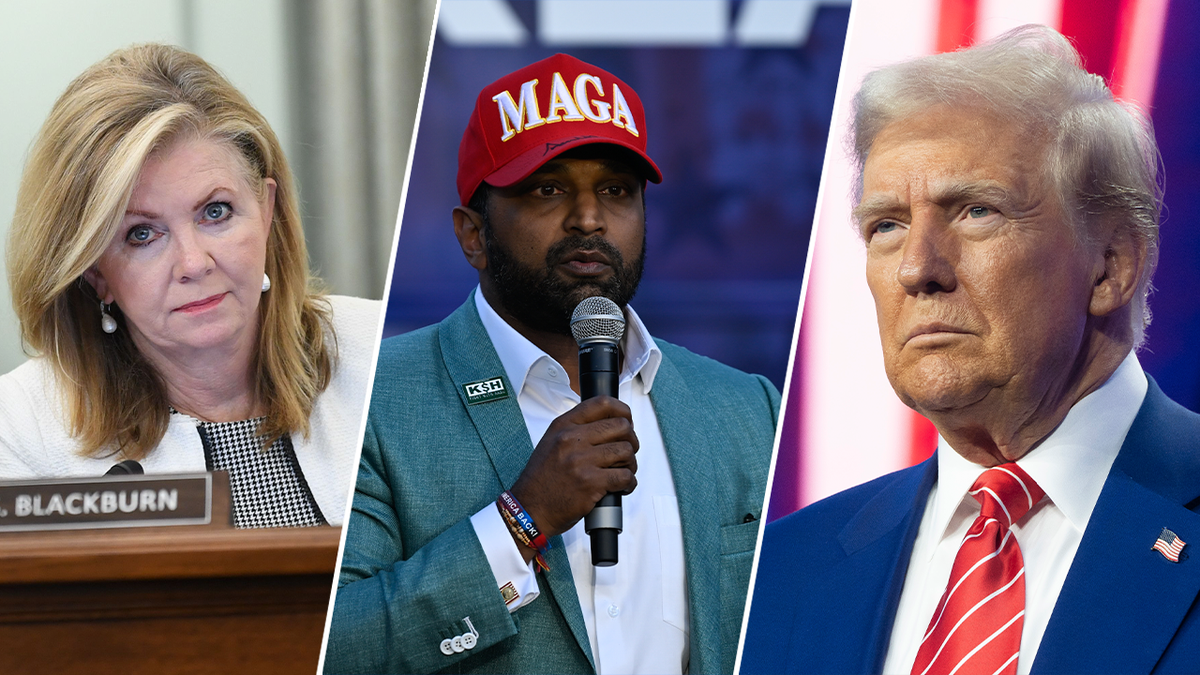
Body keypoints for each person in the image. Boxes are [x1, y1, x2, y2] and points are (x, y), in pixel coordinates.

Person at [741, 24, 1200, 675]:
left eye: (975, 211)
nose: (916, 268)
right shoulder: (784, 572)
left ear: (1111, 266)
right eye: (888, 226)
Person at [324, 53, 779, 674]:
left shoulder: (744, 407)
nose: (588, 219)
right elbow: (333, 649)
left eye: (616, 190)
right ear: (472, 235)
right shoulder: (372, 396)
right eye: (548, 189)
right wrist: (521, 521)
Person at [0, 44, 379, 529]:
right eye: (142, 234)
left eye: (215, 212)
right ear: (95, 273)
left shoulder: (382, 355)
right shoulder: (22, 430)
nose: (193, 263)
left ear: (265, 212)